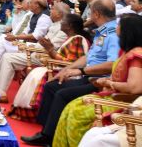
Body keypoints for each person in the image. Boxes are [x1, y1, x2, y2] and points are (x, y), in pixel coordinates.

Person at [20, 0, 121, 146]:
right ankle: (46, 132)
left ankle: (48, 136)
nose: (89, 15)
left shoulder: (112, 34)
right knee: (51, 86)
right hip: (89, 75)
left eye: (91, 12)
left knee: (62, 94)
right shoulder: (103, 31)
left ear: (97, 14)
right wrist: (67, 69)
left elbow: (112, 64)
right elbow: (88, 57)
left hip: (99, 81)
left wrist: (79, 71)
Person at [50, 14, 142, 147]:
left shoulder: (136, 55)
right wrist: (106, 80)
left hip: (122, 100)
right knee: (71, 108)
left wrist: (109, 83)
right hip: (112, 94)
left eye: (119, 25)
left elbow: (134, 87)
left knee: (77, 113)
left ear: (128, 30)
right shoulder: (127, 51)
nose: (116, 27)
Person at [8, 13, 91, 122]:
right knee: (36, 72)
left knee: (38, 73)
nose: (61, 22)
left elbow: (70, 63)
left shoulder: (77, 39)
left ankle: (34, 112)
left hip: (69, 73)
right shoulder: (71, 38)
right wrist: (49, 49)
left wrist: (50, 49)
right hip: (59, 68)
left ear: (70, 25)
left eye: (63, 21)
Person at [0, 2, 70, 101]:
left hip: (44, 57)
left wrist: (29, 46)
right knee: (6, 55)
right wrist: (28, 46)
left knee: (8, 58)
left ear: (59, 14)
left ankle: (1, 92)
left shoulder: (62, 28)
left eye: (53, 9)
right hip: (37, 52)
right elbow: (44, 43)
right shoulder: (55, 25)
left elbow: (51, 47)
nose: (50, 11)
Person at [0, 0, 52, 71]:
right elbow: (26, 30)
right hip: (26, 42)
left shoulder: (45, 17)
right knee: (4, 37)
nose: (29, 4)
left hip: (34, 47)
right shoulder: (34, 14)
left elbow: (36, 36)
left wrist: (16, 37)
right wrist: (15, 37)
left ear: (37, 5)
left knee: (4, 39)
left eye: (31, 3)